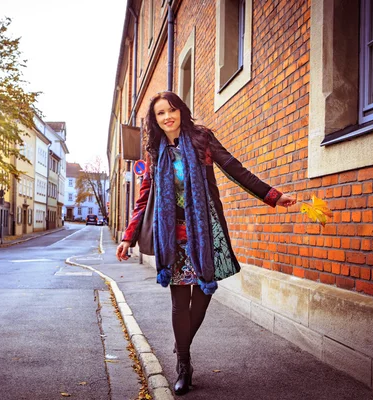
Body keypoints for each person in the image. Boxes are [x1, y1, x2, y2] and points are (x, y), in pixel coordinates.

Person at [116, 91, 296, 396]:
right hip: (173, 236)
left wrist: (273, 196)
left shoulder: (201, 139)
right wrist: (127, 236)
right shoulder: (155, 150)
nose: (167, 116)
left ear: (181, 112)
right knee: (179, 303)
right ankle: (184, 365)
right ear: (154, 120)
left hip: (204, 231)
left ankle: (181, 342)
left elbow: (235, 169)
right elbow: (144, 198)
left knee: (201, 298)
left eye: (172, 110)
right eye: (160, 113)